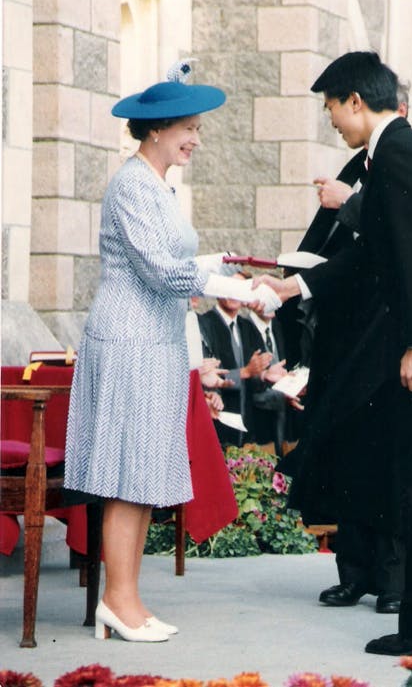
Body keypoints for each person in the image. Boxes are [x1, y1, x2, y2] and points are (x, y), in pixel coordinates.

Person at [255, 51, 412, 656]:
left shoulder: (401, 155)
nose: (331, 119)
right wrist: (297, 284)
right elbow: (371, 255)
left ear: (356, 101)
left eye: (332, 106)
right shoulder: (390, 154)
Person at [64, 80, 278, 643]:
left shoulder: (157, 186)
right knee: (127, 475)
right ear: (157, 129)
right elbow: (160, 270)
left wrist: (219, 264)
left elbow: (170, 258)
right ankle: (118, 600)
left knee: (142, 472)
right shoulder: (133, 184)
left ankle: (127, 598)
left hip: (155, 340)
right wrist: (236, 286)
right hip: (129, 340)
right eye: (190, 129)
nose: (196, 140)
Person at [198, 274, 274, 448]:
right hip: (217, 419)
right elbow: (206, 378)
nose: (234, 293)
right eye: (229, 286)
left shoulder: (247, 327)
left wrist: (264, 375)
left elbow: (254, 379)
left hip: (246, 424)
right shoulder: (204, 324)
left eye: (239, 287)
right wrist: (245, 372)